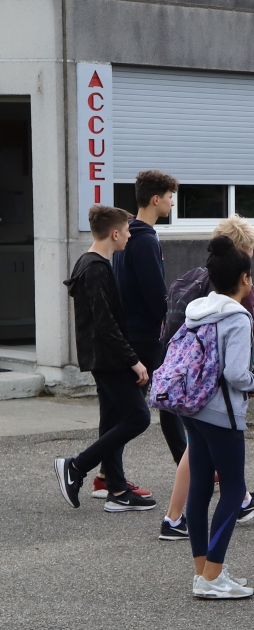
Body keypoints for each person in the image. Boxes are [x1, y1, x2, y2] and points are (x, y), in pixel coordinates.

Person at [158, 216, 254, 540]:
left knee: (199, 461)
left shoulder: (197, 282)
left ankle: (194, 533)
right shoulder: (238, 291)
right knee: (217, 470)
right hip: (216, 395)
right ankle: (182, 524)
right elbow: (247, 342)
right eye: (251, 247)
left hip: (189, 384)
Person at [55, 205, 156, 512]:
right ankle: (76, 466)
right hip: (109, 358)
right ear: (114, 233)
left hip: (103, 357)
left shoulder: (89, 262)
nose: (128, 235)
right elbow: (105, 322)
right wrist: (133, 360)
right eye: (126, 230)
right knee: (139, 417)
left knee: (112, 419)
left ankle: (116, 489)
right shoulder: (97, 268)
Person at [181, 236, 254, 599]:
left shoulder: (197, 308)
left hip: (192, 408)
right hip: (222, 413)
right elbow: (235, 374)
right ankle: (213, 577)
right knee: (232, 489)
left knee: (199, 487)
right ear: (244, 278)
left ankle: (204, 572)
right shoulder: (238, 317)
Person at [106, 170, 179, 502]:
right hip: (146, 335)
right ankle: (191, 465)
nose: (171, 202)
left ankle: (108, 475)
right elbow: (156, 296)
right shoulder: (146, 238)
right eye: (169, 196)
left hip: (127, 331)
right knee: (168, 402)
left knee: (115, 409)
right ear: (155, 199)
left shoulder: (126, 234)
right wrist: (173, 319)